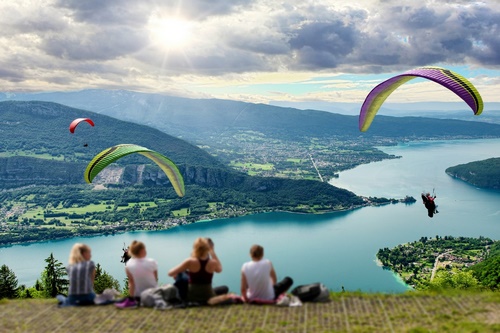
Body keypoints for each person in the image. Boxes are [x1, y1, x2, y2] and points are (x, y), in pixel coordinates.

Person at [168, 237, 226, 304]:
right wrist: (212, 251)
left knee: (181, 273)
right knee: (224, 288)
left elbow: (170, 273)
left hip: (191, 297)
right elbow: (219, 269)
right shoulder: (213, 262)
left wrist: (182, 271)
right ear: (207, 248)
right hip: (209, 296)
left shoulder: (190, 261)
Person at [115, 240, 158, 309]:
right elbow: (155, 279)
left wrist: (131, 298)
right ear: (143, 250)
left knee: (123, 297)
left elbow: (131, 283)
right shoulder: (152, 262)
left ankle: (131, 301)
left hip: (138, 297)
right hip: (154, 295)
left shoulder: (128, 265)